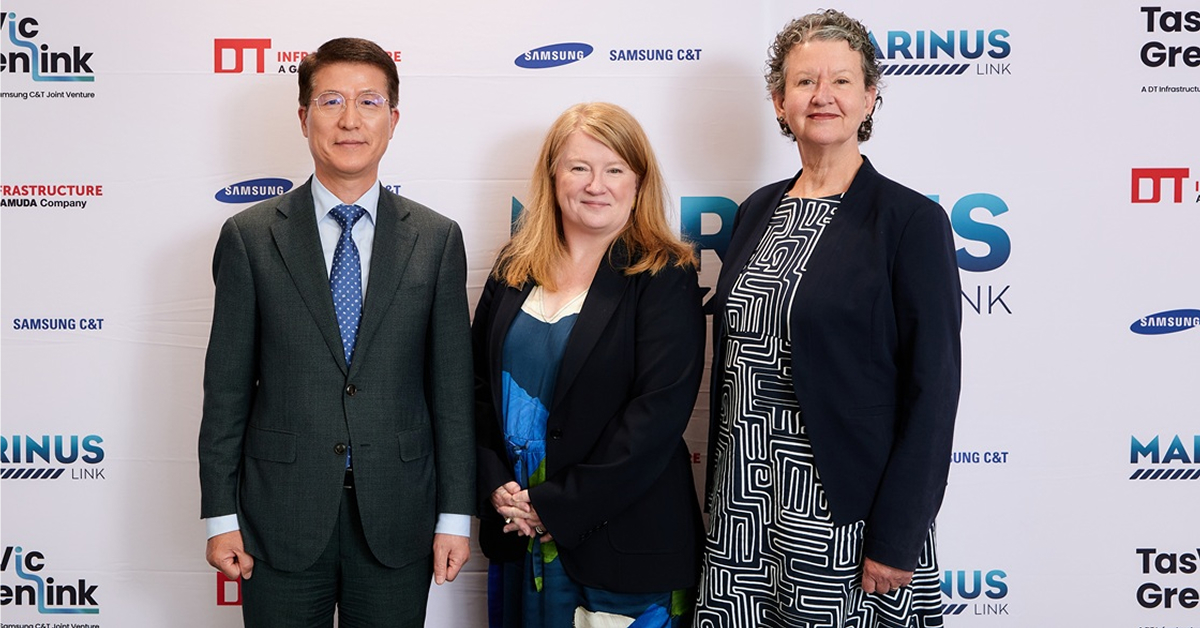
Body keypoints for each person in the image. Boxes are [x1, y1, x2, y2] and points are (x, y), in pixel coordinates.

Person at [694, 10, 962, 628]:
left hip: (844, 514)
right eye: (804, 81)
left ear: (869, 97)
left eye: (841, 81)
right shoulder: (756, 210)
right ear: (779, 100)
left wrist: (897, 537)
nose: (822, 96)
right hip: (742, 506)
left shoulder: (910, 223)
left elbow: (934, 390)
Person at [198, 37, 474, 627]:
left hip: (399, 515)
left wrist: (455, 516)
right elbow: (224, 390)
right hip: (280, 514)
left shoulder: (437, 239)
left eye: (369, 102)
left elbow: (452, 392)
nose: (350, 120)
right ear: (303, 118)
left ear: (392, 120)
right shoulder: (250, 237)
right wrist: (220, 516)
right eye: (330, 101)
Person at [473, 102, 705, 627]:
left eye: (615, 168)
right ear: (553, 177)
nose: (595, 184)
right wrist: (495, 484)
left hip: (620, 547)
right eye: (579, 167)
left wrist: (554, 505)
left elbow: (656, 417)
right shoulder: (513, 267)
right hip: (518, 535)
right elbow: (474, 389)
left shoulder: (664, 274)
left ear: (639, 182)